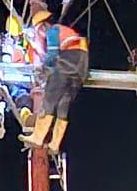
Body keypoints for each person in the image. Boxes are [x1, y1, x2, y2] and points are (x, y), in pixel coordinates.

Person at [21, 9, 89, 153]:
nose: (40, 35)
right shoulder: (68, 32)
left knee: (50, 98)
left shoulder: (53, 30)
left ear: (43, 26)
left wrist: (43, 68)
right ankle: (55, 144)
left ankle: (38, 137)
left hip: (69, 60)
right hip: (81, 66)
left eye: (39, 31)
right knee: (63, 104)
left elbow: (52, 54)